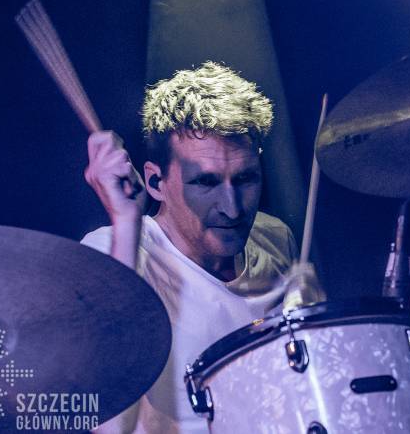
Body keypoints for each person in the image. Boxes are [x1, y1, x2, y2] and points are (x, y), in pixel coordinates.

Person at [81, 61, 324, 433]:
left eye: (245, 179)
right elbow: (107, 426)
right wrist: (126, 223)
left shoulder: (275, 237)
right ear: (156, 182)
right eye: (206, 183)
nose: (232, 208)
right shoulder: (114, 252)